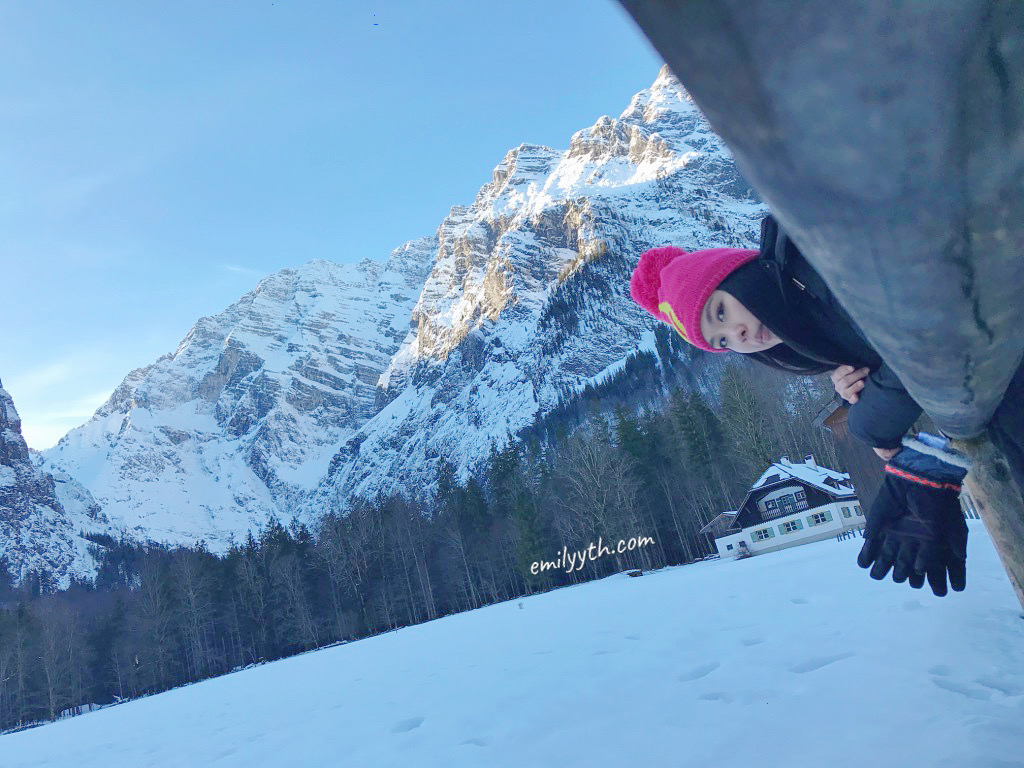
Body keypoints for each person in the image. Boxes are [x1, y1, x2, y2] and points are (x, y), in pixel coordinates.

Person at [630, 215, 969, 596]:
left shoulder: (818, 263)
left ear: (738, 275)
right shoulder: (817, 325)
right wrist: (855, 394)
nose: (737, 336)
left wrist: (879, 433)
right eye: (722, 341)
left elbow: (929, 341)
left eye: (721, 312)